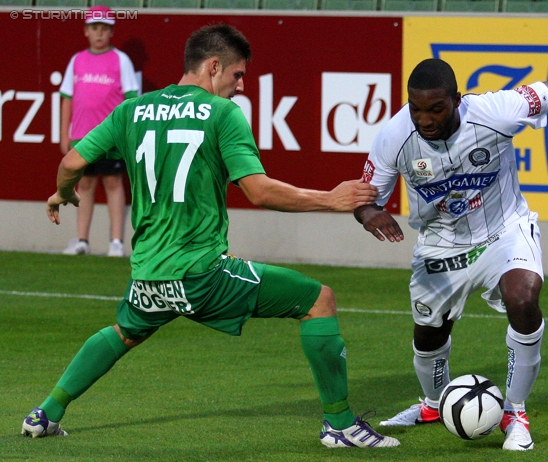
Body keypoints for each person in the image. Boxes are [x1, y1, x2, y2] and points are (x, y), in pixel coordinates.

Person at [22, 23, 400, 449]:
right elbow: (258, 191)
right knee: (318, 300)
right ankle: (341, 426)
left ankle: (45, 413)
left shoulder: (132, 110)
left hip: (148, 273)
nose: (240, 87)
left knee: (124, 331)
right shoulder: (222, 114)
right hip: (200, 274)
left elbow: (72, 160)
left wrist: (63, 193)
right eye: (237, 75)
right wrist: (331, 200)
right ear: (213, 65)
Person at [354, 58, 548, 451]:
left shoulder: (494, 111)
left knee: (524, 298)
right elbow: (365, 197)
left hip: (504, 230)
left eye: (436, 108)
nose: (424, 119)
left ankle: (515, 412)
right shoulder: (394, 135)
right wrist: (371, 213)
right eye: (416, 108)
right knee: (429, 334)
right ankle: (432, 405)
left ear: (457, 100)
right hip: (440, 242)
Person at [59, 5, 140, 257]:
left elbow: (131, 100)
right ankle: (82, 239)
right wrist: (65, 134)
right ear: (86, 31)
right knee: (85, 184)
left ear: (111, 32)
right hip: (82, 136)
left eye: (104, 29)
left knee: (114, 183)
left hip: (112, 138)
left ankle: (116, 241)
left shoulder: (121, 60)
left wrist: (128, 134)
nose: (99, 34)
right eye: (94, 28)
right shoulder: (76, 60)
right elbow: (67, 99)